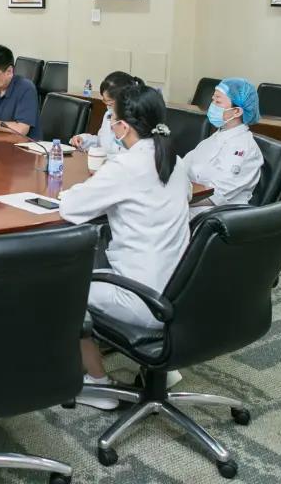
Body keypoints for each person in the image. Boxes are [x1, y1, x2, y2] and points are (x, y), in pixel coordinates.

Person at [58, 85, 192, 409]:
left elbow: (72, 208)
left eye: (111, 117)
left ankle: (97, 384)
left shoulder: (126, 166)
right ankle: (162, 370)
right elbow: (183, 195)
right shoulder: (175, 161)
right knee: (104, 251)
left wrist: (74, 194)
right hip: (184, 294)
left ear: (122, 127)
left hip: (143, 300)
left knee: (61, 288)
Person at [183, 78, 264, 213]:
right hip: (190, 204)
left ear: (236, 111)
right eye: (213, 100)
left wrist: (176, 198)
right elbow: (183, 166)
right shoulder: (216, 136)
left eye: (218, 102)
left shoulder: (244, 148)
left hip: (214, 215)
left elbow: (217, 195)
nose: (212, 106)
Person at [70, 71, 144, 159]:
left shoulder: (137, 121)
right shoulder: (109, 114)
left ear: (125, 100)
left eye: (110, 103)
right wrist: (83, 139)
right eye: (105, 101)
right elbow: (102, 141)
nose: (108, 107)